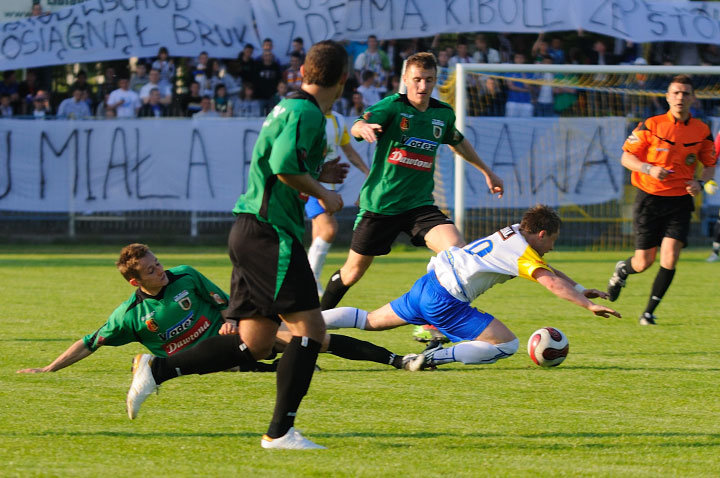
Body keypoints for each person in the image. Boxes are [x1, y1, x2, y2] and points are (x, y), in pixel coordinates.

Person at [323, 205, 621, 370]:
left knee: (370, 320)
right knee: (506, 344)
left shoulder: (515, 232)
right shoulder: (522, 253)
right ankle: (426, 359)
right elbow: (551, 282)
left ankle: (308, 318)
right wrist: (589, 306)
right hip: (445, 300)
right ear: (542, 233)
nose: (552, 248)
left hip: (429, 282)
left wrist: (580, 288)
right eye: (552, 240)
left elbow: (549, 270)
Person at [320, 52, 504, 311]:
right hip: (381, 206)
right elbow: (358, 124)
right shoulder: (393, 106)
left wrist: (487, 172)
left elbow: (457, 142)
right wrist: (363, 128)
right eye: (417, 79)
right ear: (405, 79)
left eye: (429, 80)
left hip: (419, 205)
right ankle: (318, 319)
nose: (422, 86)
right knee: (351, 273)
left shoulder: (442, 113)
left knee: (456, 253)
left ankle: (433, 321)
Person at [15, 244, 253, 375]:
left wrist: (231, 321)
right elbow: (89, 343)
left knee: (273, 331)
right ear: (135, 282)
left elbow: (222, 302)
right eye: (151, 271)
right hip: (210, 363)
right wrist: (49, 368)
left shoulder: (185, 275)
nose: (160, 270)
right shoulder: (129, 316)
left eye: (158, 263)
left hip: (234, 339)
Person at [606, 75, 716, 325]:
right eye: (676, 93)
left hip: (680, 202)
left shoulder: (701, 130)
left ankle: (648, 312)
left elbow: (710, 164)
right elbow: (626, 158)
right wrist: (647, 168)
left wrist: (700, 182)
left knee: (670, 257)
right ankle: (623, 270)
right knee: (644, 262)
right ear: (667, 97)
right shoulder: (651, 125)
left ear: (693, 98)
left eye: (686, 93)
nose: (680, 97)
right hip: (650, 199)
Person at [306, 110, 370, 295]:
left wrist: (367, 172)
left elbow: (348, 151)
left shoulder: (338, 119)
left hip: (329, 184)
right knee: (329, 229)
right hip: (312, 182)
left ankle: (309, 280)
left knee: (319, 232)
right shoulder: (310, 116)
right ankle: (311, 279)